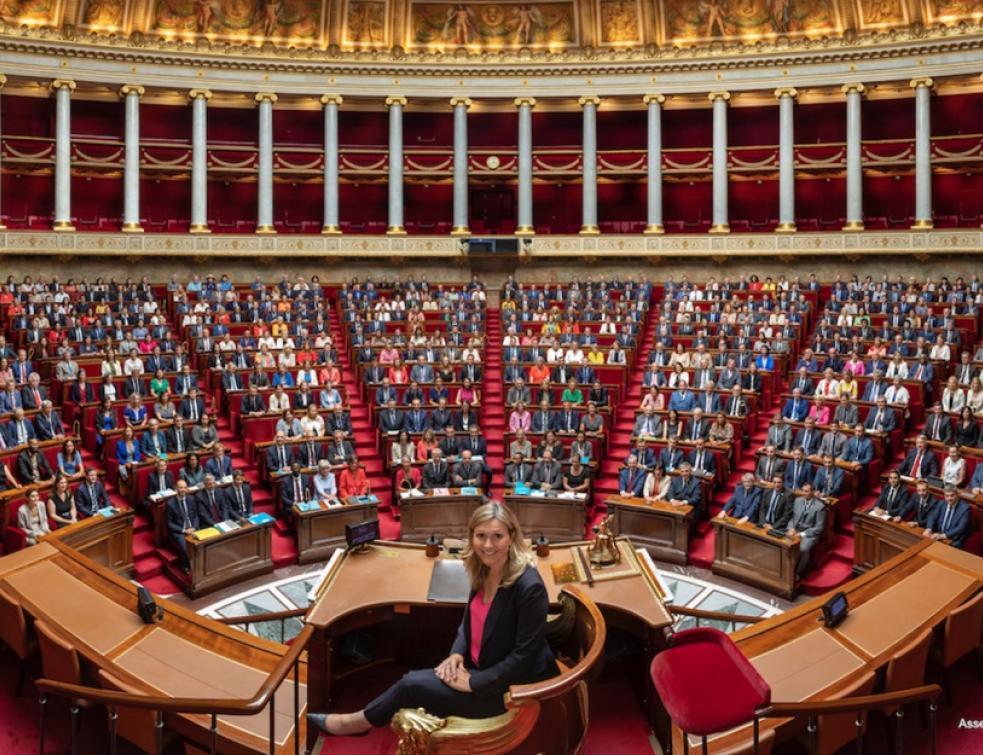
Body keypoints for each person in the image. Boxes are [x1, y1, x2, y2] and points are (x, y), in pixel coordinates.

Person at [308, 502, 559, 736]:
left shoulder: (529, 586)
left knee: (410, 684)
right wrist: (456, 654)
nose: (488, 545)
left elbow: (524, 657)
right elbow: (469, 621)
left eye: (497, 536)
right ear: (472, 536)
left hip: (508, 689)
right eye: (481, 535)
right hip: (476, 666)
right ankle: (362, 719)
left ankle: (355, 723)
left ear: (512, 537)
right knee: (415, 681)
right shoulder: (483, 568)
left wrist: (474, 682)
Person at [788, 483, 826, 579]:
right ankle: (785, 570)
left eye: (806, 491)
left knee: (803, 548)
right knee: (783, 543)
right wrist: (791, 528)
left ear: (812, 492)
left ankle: (799, 572)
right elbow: (792, 518)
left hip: (809, 534)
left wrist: (801, 534)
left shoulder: (820, 507)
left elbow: (819, 528)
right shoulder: (797, 501)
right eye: (803, 491)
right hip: (795, 530)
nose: (804, 493)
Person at [165, 480, 201, 572]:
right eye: (181, 488)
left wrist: (194, 527)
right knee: (185, 547)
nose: (183, 490)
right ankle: (186, 566)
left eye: (185, 487)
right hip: (180, 531)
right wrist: (184, 530)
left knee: (202, 543)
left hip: (193, 528)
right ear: (176, 489)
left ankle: (200, 564)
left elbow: (196, 515)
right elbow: (169, 523)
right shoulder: (170, 503)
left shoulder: (191, 499)